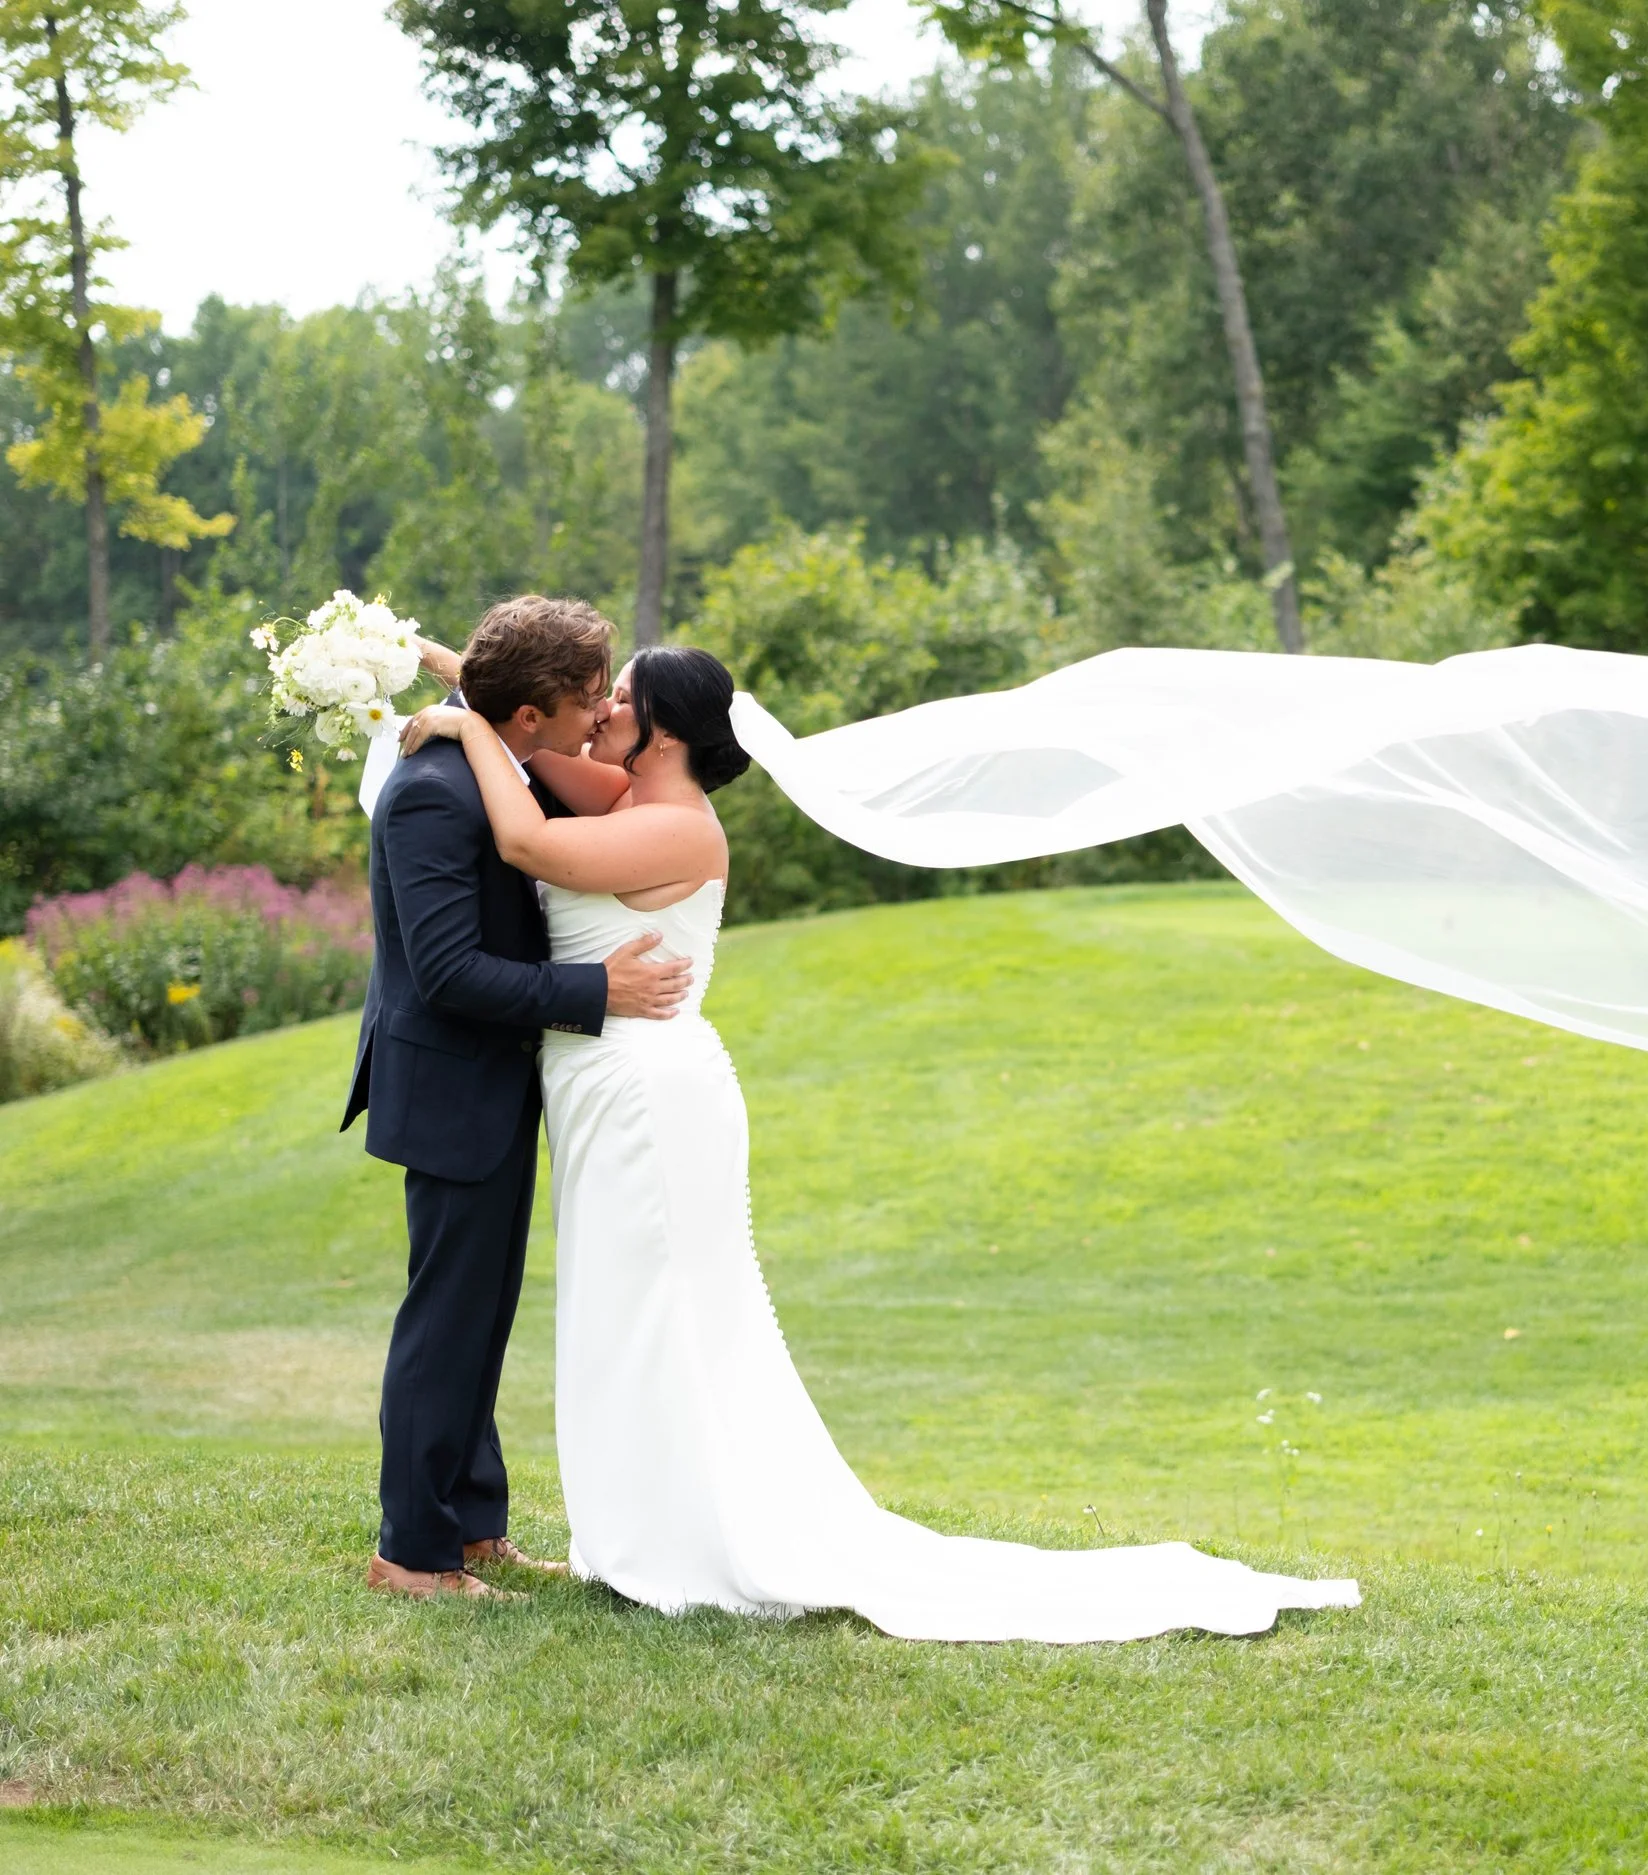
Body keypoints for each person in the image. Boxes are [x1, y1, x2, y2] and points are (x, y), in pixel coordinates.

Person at [392, 641, 1358, 1639]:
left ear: (664, 731)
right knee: (626, 1312)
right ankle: (644, 1523)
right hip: (609, 1086)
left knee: (667, 1314)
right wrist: (459, 675)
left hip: (649, 1097)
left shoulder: (678, 828)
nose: (596, 713)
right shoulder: (621, 790)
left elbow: (529, 847)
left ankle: (684, 1538)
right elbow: (534, 739)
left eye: (619, 700)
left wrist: (464, 723)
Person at [346, 596, 691, 1602]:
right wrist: (599, 992)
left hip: (494, 1083)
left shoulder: (497, 756)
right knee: (445, 1320)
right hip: (449, 1084)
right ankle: (410, 1554)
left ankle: (473, 1526)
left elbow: (502, 711)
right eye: (586, 697)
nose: (600, 712)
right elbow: (449, 973)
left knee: (482, 1313)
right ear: (530, 715)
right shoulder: (431, 792)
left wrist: (460, 685)